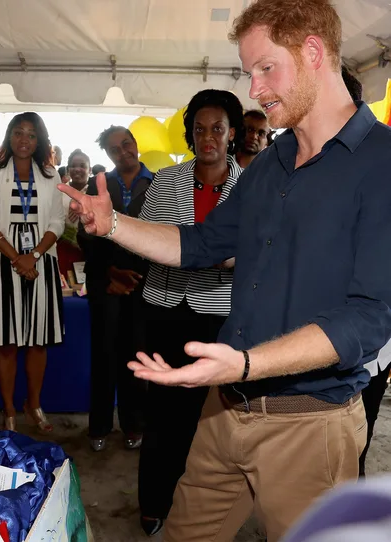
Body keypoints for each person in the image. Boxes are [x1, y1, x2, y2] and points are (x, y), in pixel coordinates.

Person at [59, 0, 391, 539]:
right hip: (225, 411)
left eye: (265, 69)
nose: (254, 90)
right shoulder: (272, 162)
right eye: (248, 72)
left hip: (309, 424)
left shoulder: (381, 162)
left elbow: (369, 320)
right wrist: (113, 224)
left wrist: (241, 364)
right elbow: (199, 243)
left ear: (312, 52)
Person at [137, 89, 245, 536]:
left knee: (207, 420)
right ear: (189, 134)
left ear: (232, 134)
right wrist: (179, 254)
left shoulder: (252, 186)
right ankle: (153, 501)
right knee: (161, 414)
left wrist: (228, 260)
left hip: (218, 316)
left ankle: (196, 507)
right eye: (199, 129)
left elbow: (261, 251)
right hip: (165, 310)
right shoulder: (165, 182)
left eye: (217, 129)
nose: (208, 138)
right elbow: (144, 240)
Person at [0, 112, 65, 433]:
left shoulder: (51, 176)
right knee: (7, 343)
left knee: (38, 341)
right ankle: (10, 408)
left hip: (40, 261)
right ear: (9, 137)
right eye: (18, 133)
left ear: (39, 140)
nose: (24, 140)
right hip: (3, 261)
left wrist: (34, 255)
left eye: (31, 134)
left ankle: (34, 403)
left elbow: (57, 222)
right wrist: (17, 258)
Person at [78, 126, 152, 452]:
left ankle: (135, 424)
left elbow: (164, 231)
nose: (123, 152)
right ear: (107, 155)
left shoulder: (159, 183)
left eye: (127, 144)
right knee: (104, 356)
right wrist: (110, 270)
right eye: (114, 149)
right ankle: (99, 426)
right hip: (105, 281)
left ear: (135, 144)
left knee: (136, 358)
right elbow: (85, 235)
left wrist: (132, 274)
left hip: (143, 284)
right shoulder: (98, 184)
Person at [340, 64, 391, 478]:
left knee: (357, 432)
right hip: (309, 336)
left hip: (371, 342)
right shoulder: (290, 163)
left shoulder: (382, 159)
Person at [56, 149, 90, 276]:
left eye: (82, 166)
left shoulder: (96, 194)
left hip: (92, 254)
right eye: (73, 166)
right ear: (68, 170)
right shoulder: (59, 192)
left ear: (90, 170)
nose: (77, 169)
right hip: (64, 251)